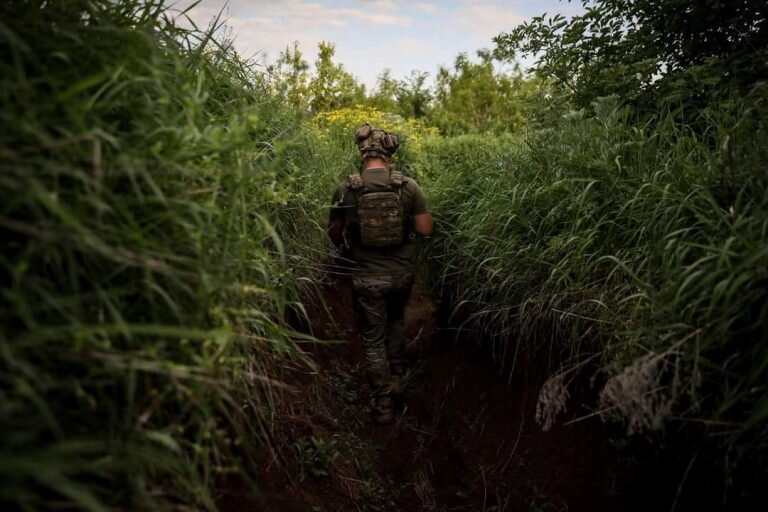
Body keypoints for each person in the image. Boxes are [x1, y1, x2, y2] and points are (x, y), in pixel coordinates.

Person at [328, 123, 433, 424]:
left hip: (366, 278)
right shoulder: (408, 186)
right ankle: (398, 375)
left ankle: (383, 403)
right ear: (388, 154)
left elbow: (334, 235)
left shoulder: (346, 189)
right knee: (396, 320)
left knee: (372, 340)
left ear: (361, 153)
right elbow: (425, 229)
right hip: (401, 275)